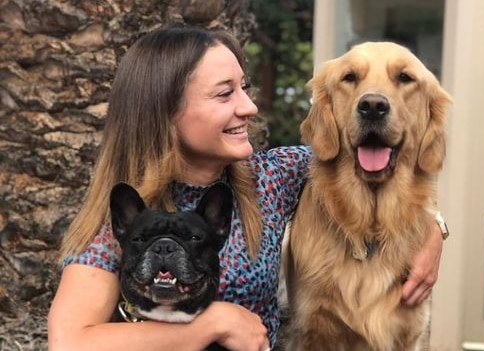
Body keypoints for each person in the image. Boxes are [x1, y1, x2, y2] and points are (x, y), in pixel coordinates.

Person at [47, 25, 445, 351]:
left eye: (244, 87)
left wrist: (434, 228)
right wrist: (209, 325)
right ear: (165, 110)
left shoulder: (270, 179)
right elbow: (70, 340)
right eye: (225, 93)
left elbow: (381, 170)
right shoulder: (124, 211)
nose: (248, 107)